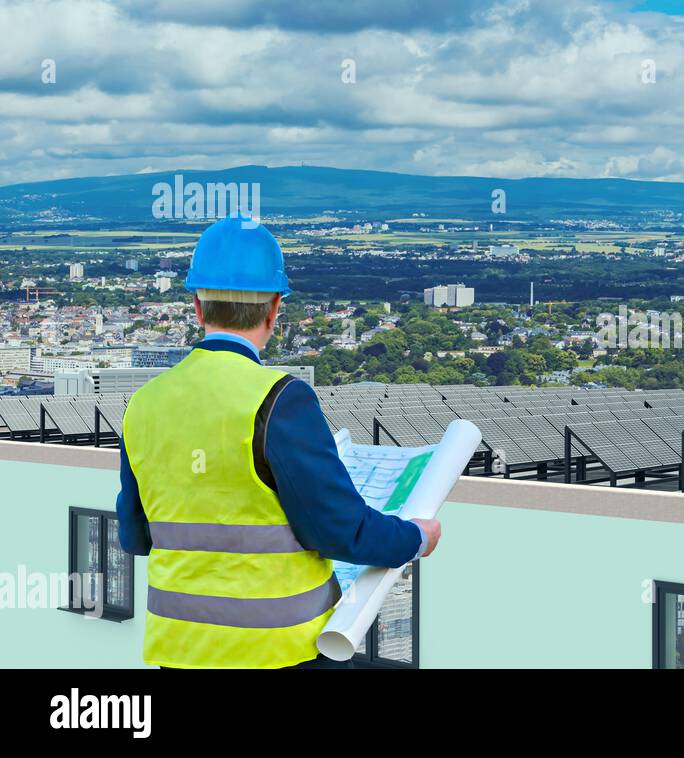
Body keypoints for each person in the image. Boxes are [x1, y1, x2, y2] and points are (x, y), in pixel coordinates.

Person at [115, 215, 441, 669]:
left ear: (197, 307)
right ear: (274, 309)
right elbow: (341, 531)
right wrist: (415, 538)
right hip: (279, 653)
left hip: (178, 652)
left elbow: (134, 537)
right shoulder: (281, 400)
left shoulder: (142, 405)